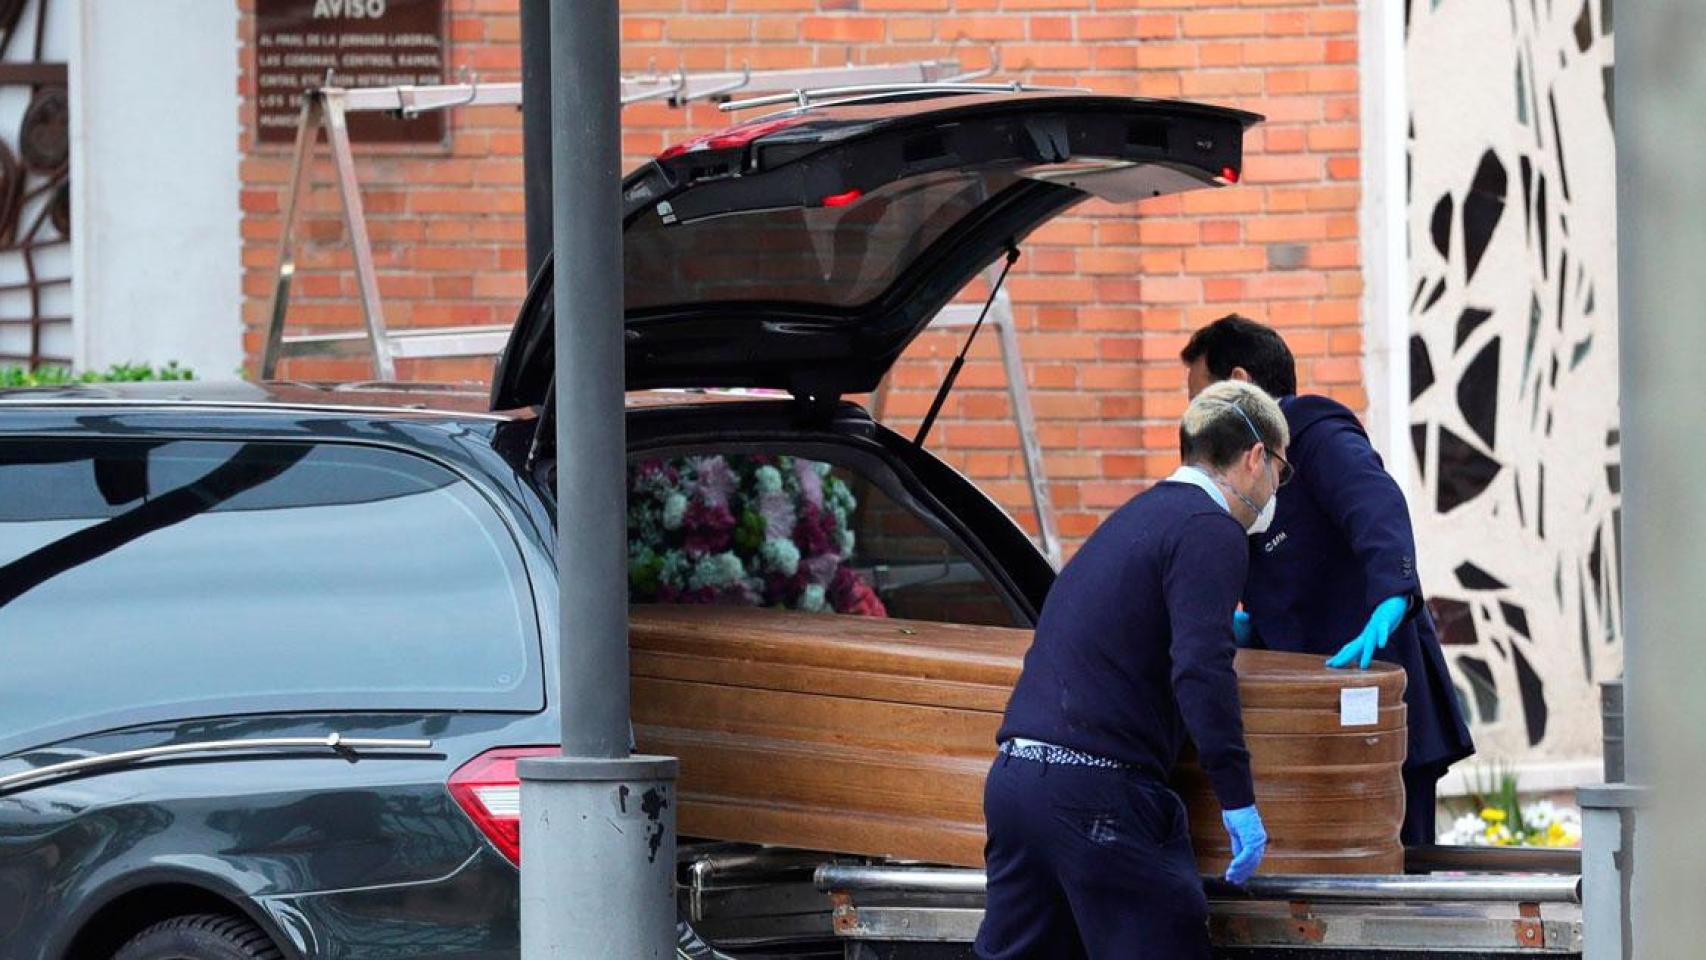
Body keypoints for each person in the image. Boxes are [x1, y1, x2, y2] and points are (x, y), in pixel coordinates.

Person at [975, 380, 1287, 960]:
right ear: (1255, 458)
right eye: (1280, 473)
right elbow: (1201, 669)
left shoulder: (1136, 517)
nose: (1275, 491)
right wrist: (1238, 798)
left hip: (1016, 785)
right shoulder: (1211, 528)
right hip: (1097, 799)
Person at [1181, 313, 1475, 845]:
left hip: (1384, 700)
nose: (1194, 423)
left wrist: (1391, 594)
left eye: (1200, 400)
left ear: (1241, 385)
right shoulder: (1240, 475)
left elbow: (1377, 503)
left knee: (1398, 875)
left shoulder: (1313, 432)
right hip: (1318, 718)